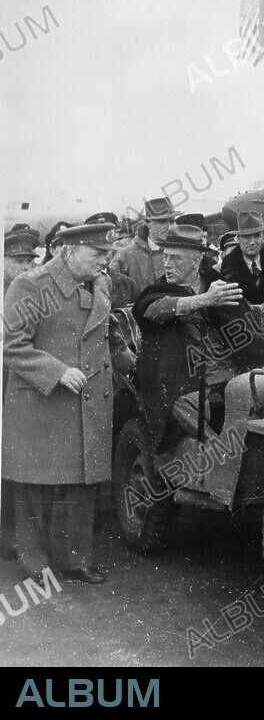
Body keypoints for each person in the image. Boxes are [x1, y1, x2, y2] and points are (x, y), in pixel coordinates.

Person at [2, 223, 135, 583]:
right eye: (98, 254)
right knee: (36, 485)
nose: (105, 263)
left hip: (88, 398)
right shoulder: (31, 284)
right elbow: (11, 345)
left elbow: (107, 332)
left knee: (82, 482)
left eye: (108, 255)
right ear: (69, 250)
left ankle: (75, 559)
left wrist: (125, 358)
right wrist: (57, 371)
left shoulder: (100, 283)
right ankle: (35, 563)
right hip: (42, 401)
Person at [132, 225, 264, 449]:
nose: (167, 264)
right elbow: (153, 310)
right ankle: (219, 450)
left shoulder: (219, 285)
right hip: (179, 379)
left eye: (176, 259)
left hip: (228, 373)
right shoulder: (159, 289)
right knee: (180, 405)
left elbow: (245, 332)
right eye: (165, 257)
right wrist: (204, 300)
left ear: (196, 260)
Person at [1, 227, 41, 561]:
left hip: (18, 389)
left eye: (30, 259)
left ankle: (13, 533)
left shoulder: (32, 292)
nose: (25, 265)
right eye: (17, 259)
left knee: (17, 462)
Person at [220, 210, 264, 304]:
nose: (252, 242)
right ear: (238, 238)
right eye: (247, 236)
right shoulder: (222, 272)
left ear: (263, 237)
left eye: (257, 236)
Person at [111, 197, 179, 291]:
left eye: (171, 221)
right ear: (147, 223)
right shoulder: (125, 256)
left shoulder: (179, 253)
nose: (169, 227)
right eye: (162, 221)